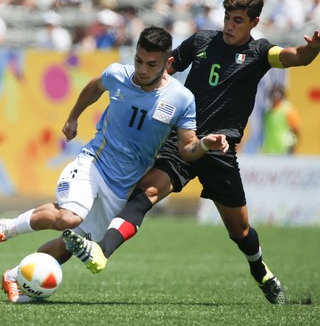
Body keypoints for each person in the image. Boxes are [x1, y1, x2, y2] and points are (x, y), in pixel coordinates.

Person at [62, 0, 320, 305]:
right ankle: (101, 251)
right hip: (183, 139)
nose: (229, 25)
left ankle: (261, 272)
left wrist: (313, 49)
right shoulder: (200, 42)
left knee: (240, 232)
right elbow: (162, 72)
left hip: (219, 151)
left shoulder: (260, 52)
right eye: (227, 17)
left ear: (254, 22)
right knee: (146, 194)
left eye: (237, 20)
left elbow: (297, 57)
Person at [0, 26, 228, 303]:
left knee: (68, 246)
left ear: (168, 63)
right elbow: (95, 86)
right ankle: (6, 228)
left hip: (123, 187)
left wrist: (205, 144)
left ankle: (14, 275)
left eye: (151, 64)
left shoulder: (181, 99)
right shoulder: (117, 75)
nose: (142, 69)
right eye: (139, 60)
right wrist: (73, 117)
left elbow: (187, 149)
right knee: (69, 217)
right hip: (93, 163)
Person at [261, 84, 300, 154]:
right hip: (270, 150)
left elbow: (296, 130)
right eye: (273, 96)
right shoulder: (267, 112)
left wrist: (293, 148)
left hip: (285, 149)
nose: (275, 99)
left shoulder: (288, 110)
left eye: (277, 96)